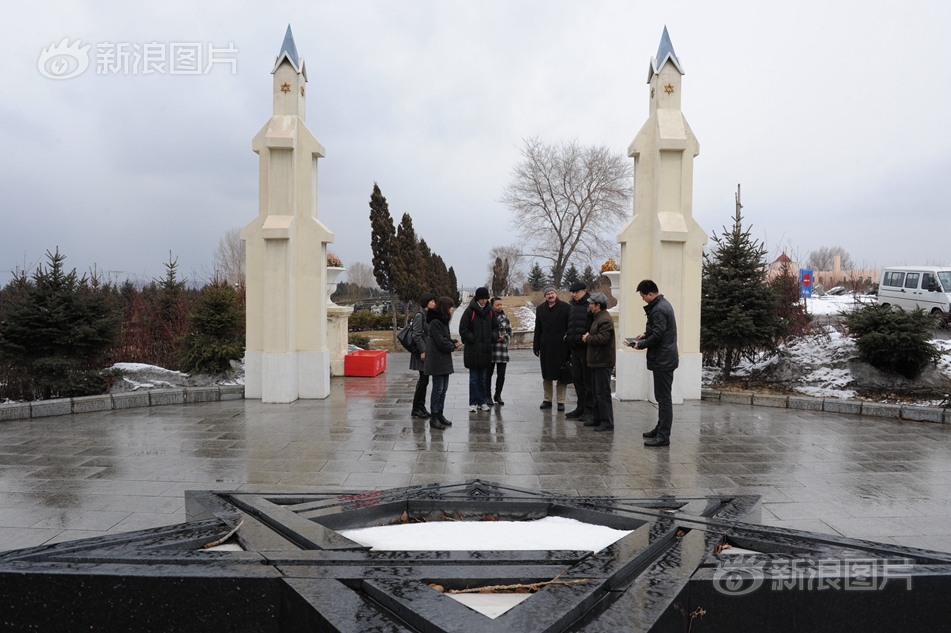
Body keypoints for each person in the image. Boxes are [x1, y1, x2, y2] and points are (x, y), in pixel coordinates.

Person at [627, 279, 678, 447]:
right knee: (662, 397)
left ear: (650, 294)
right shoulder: (662, 304)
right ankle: (660, 428)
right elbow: (658, 330)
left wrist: (640, 344)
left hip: (663, 359)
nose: (642, 299)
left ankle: (663, 435)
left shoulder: (658, 309)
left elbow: (658, 336)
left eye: (643, 296)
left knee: (663, 398)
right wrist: (645, 333)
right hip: (665, 357)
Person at [424, 296, 462, 429]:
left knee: (444, 389)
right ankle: (434, 417)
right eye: (451, 307)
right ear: (446, 308)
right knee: (438, 389)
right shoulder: (435, 322)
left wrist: (453, 342)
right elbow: (440, 342)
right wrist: (452, 346)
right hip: (436, 360)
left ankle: (440, 414)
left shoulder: (443, 321)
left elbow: (445, 339)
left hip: (443, 359)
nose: (453, 309)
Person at [459, 287, 498, 413]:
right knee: (474, 379)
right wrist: (473, 338)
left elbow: (495, 328)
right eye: (482, 299)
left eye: (486, 299)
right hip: (473, 351)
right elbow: (463, 329)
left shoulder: (490, 312)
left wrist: (492, 337)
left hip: (486, 350)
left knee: (483, 378)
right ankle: (473, 402)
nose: (484, 301)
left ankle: (483, 401)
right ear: (477, 299)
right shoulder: (470, 311)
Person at [533, 285, 570, 411]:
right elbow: (538, 328)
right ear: (545, 296)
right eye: (548, 293)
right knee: (547, 375)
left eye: (552, 293)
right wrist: (536, 345)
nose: (550, 295)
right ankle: (547, 399)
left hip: (561, 346)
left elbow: (569, 327)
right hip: (546, 346)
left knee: (561, 374)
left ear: (556, 294)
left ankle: (561, 401)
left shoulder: (566, 307)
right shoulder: (540, 309)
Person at [582, 292, 615, 431]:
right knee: (596, 392)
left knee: (603, 394)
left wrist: (588, 338)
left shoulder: (605, 320)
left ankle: (607, 422)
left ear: (598, 305)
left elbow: (602, 339)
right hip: (596, 361)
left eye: (591, 304)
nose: (589, 306)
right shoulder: (597, 317)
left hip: (603, 362)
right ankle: (597, 418)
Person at [564, 281, 595, 421]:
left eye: (577, 292)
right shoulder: (573, 307)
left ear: (584, 291)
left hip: (586, 349)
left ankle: (589, 409)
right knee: (577, 380)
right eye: (573, 292)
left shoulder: (590, 306)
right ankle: (580, 407)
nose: (574, 295)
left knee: (587, 381)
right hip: (574, 349)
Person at [410, 292, 436, 419]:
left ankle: (421, 406)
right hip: (422, 353)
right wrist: (423, 351)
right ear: (426, 302)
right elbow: (416, 335)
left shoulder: (428, 315)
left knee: (424, 381)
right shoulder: (420, 315)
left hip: (427, 352)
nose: (434, 303)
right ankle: (415, 408)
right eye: (431, 301)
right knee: (423, 380)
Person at [485, 296, 512, 406]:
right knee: (488, 374)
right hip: (490, 348)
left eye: (501, 304)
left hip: (502, 349)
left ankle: (498, 394)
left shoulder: (505, 317)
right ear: (492, 305)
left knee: (501, 374)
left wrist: (504, 337)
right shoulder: (488, 317)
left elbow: (510, 332)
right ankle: (487, 395)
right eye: (497, 305)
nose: (500, 307)